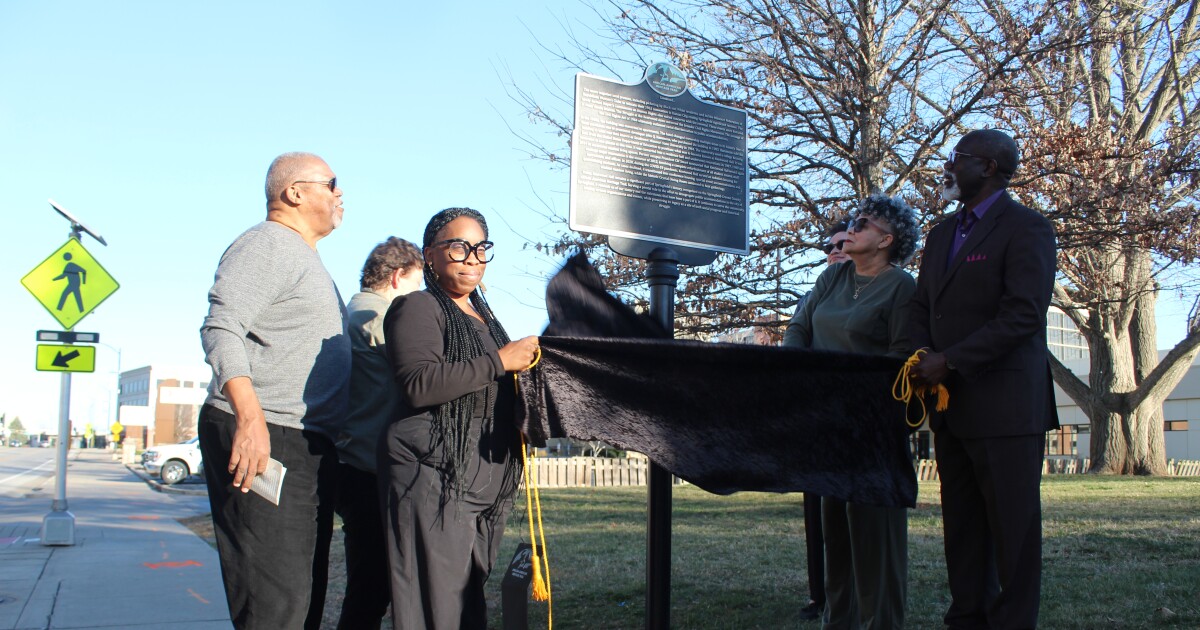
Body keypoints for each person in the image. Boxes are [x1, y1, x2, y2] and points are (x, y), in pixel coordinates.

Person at [908, 129, 1058, 630]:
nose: (949, 167)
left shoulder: (1027, 228)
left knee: (1012, 532)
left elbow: (1023, 316)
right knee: (963, 528)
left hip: (1007, 406)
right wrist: (922, 353)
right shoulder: (941, 234)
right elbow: (921, 305)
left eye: (959, 159)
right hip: (951, 408)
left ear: (988, 167)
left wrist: (949, 360)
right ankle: (966, 619)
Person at [198, 151, 349, 630]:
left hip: (303, 439)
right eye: (332, 182)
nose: (340, 194)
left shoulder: (304, 257)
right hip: (269, 433)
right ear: (295, 192)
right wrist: (250, 418)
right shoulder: (268, 244)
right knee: (274, 606)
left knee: (300, 597)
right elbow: (221, 327)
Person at [380, 207, 540, 629]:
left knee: (469, 604)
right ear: (430, 255)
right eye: (458, 247)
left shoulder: (486, 319)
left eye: (480, 248)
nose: (471, 257)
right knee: (437, 608)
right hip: (435, 477)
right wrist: (500, 361)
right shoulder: (418, 307)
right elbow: (418, 383)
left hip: (486, 481)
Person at [785, 196, 921, 629]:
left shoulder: (902, 286)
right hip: (827, 421)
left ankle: (882, 621)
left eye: (862, 223)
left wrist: (850, 388)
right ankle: (837, 620)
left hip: (871, 423)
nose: (850, 229)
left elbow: (901, 355)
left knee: (873, 530)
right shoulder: (834, 276)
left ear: (886, 239)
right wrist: (791, 373)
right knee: (835, 529)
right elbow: (799, 327)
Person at [334, 237, 424, 630]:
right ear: (398, 276)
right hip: (367, 469)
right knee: (371, 588)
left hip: (353, 464)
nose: (418, 298)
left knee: (371, 585)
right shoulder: (377, 319)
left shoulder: (350, 314)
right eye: (416, 285)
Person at [787, 218, 851, 622]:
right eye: (830, 247)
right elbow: (796, 329)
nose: (835, 251)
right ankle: (819, 594)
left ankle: (853, 590)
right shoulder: (816, 294)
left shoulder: (879, 287)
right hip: (816, 414)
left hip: (856, 415)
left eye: (844, 243)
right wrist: (797, 365)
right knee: (817, 511)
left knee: (853, 511)